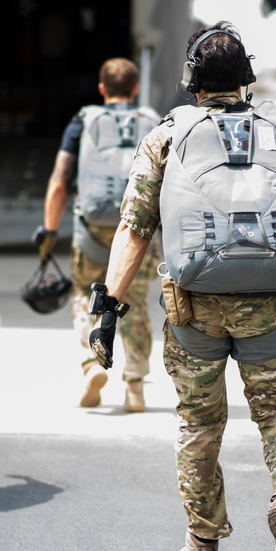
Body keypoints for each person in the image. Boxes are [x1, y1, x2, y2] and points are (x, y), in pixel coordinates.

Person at [87, 22, 276, 551]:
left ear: (190, 80)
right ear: (247, 78)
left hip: (192, 312)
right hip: (271, 308)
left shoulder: (166, 137)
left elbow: (132, 232)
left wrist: (108, 306)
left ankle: (203, 547)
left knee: (199, 426)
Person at [33, 58, 162, 413]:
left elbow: (60, 180)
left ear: (102, 88)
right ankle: (135, 387)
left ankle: (91, 363)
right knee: (132, 305)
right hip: (137, 230)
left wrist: (49, 228)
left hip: (91, 229)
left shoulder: (83, 121)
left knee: (82, 296)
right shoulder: (154, 122)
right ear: (134, 89)